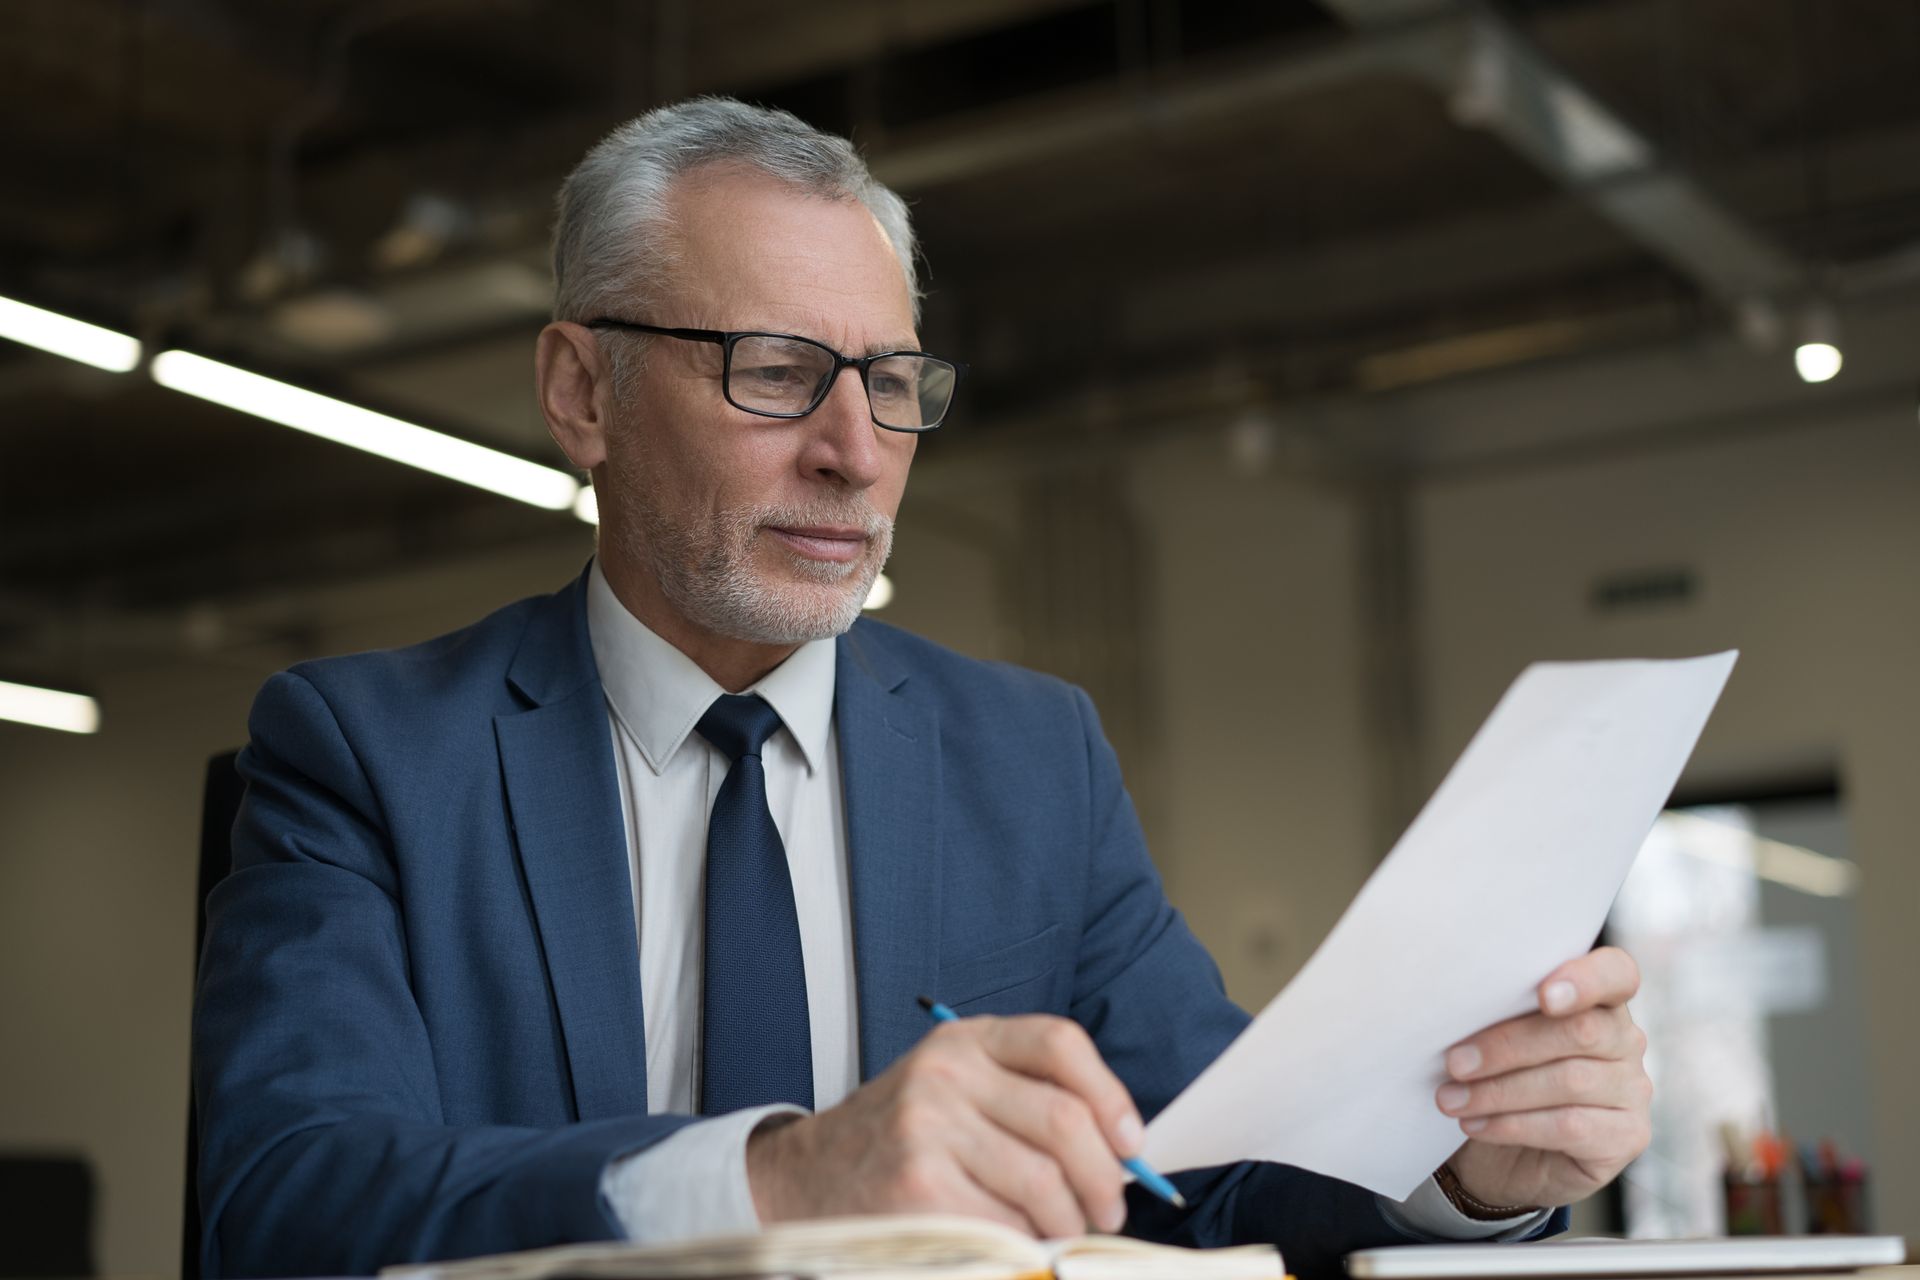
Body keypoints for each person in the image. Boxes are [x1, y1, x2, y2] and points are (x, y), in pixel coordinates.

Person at [193, 97, 1652, 1280]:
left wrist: (1458, 1169)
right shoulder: (363, 751)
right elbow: (283, 1201)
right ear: (583, 394)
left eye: (890, 381)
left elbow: (1198, 1167)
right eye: (775, 370)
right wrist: (783, 1176)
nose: (856, 448)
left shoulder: (1033, 757)